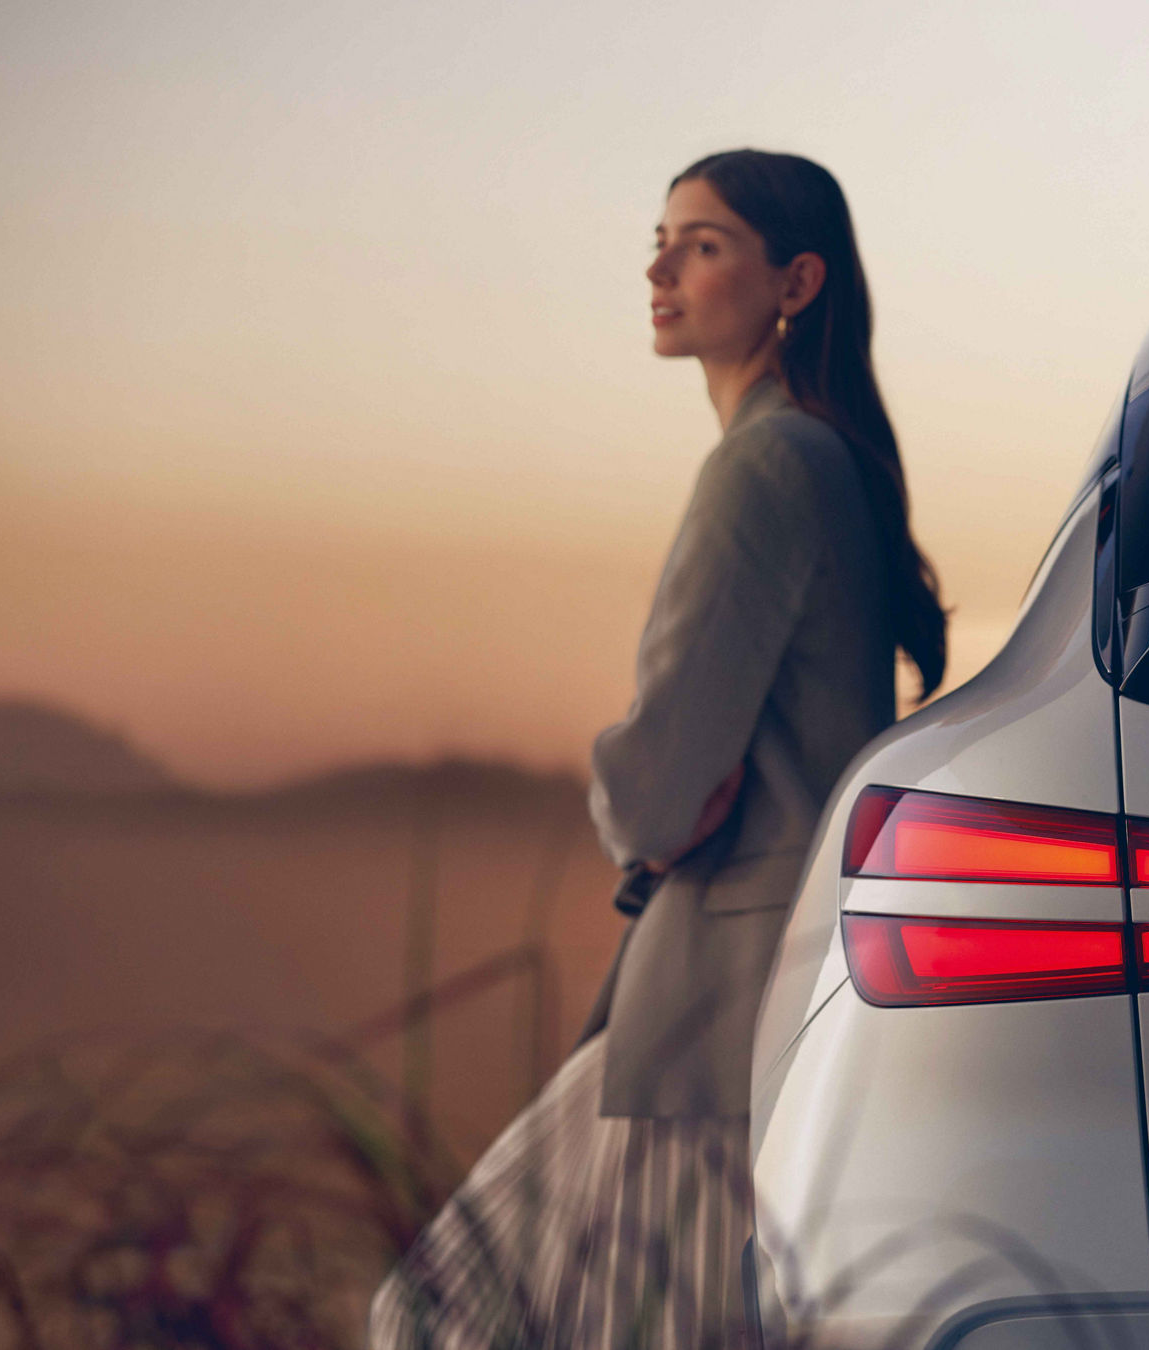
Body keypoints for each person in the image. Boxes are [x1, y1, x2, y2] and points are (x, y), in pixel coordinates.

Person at [369, 148, 945, 1350]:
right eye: (663, 238)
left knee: (438, 1319)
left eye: (702, 244)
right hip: (781, 982)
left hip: (715, 1010)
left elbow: (659, 784)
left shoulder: (768, 463)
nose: (659, 268)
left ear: (796, 282)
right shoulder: (821, 455)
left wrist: (629, 788)